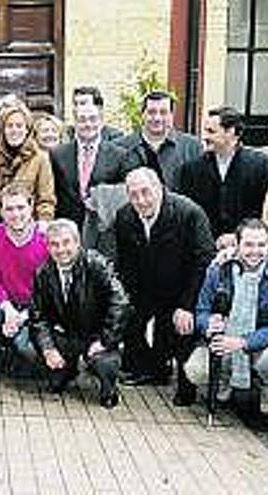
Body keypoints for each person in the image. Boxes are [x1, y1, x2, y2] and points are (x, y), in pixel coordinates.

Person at [115, 167, 215, 404]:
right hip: (145, 286)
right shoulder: (124, 216)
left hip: (182, 287)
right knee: (126, 314)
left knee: (179, 326)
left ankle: (186, 385)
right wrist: (123, 300)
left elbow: (204, 261)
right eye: (134, 195)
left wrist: (187, 305)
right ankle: (150, 369)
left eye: (146, 192)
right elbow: (125, 262)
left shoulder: (189, 213)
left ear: (159, 188)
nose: (141, 200)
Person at [30, 219, 129, 409]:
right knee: (52, 375)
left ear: (77, 242)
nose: (61, 250)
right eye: (54, 244)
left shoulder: (96, 264)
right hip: (66, 334)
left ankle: (109, 388)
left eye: (66, 242)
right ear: (48, 247)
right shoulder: (42, 273)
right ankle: (68, 371)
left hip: (96, 333)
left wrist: (105, 340)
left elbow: (121, 302)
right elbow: (38, 316)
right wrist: (48, 348)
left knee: (104, 363)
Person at [186, 218, 268, 429]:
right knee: (195, 369)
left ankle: (265, 402)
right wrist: (208, 323)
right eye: (249, 245)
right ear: (237, 244)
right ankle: (224, 391)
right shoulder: (218, 270)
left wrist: (243, 342)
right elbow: (201, 309)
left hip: (259, 343)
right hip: (225, 341)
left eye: (261, 245)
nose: (255, 251)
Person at [0, 184, 49, 376]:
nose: (15, 214)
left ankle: (22, 360)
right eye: (9, 209)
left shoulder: (45, 239)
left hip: (35, 307)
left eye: (20, 208)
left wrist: (23, 316)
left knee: (23, 347)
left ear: (31, 206)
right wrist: (7, 309)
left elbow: (47, 290)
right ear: (1, 211)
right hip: (5, 302)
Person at [178, 106, 268, 243]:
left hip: (247, 247)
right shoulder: (191, 169)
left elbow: (262, 212)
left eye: (211, 131)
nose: (205, 137)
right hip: (205, 247)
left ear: (230, 132)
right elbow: (188, 214)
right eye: (205, 131)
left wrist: (237, 236)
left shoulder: (260, 165)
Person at [0, 103, 55, 234]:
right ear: (2, 130)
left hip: (27, 230)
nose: (14, 130)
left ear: (27, 129)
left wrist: (44, 224)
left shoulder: (39, 158)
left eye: (19, 126)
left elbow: (46, 198)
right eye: (9, 126)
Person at [51, 102, 127, 228]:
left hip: (103, 228)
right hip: (67, 228)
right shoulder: (57, 154)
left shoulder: (119, 155)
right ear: (75, 123)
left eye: (93, 119)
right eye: (82, 120)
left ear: (101, 122)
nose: (88, 124)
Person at [117, 91, 202, 191]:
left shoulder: (191, 147)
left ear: (171, 115)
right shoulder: (120, 147)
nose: (157, 118)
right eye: (151, 112)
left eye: (163, 112)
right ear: (142, 115)